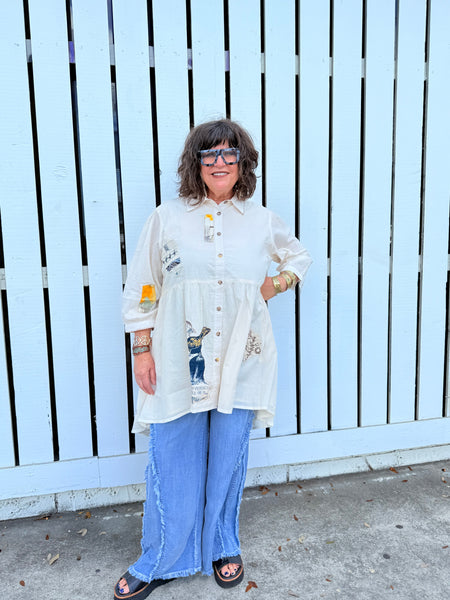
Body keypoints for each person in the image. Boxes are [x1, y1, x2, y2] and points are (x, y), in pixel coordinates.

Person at [115, 119, 312, 599]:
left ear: (242, 162)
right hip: (177, 359)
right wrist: (141, 349)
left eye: (229, 154)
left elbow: (298, 258)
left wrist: (271, 287)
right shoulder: (167, 218)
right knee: (172, 458)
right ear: (196, 162)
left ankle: (224, 545)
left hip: (243, 358)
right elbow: (144, 285)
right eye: (210, 154)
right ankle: (161, 559)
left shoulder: (260, 220)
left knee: (228, 457)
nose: (219, 162)